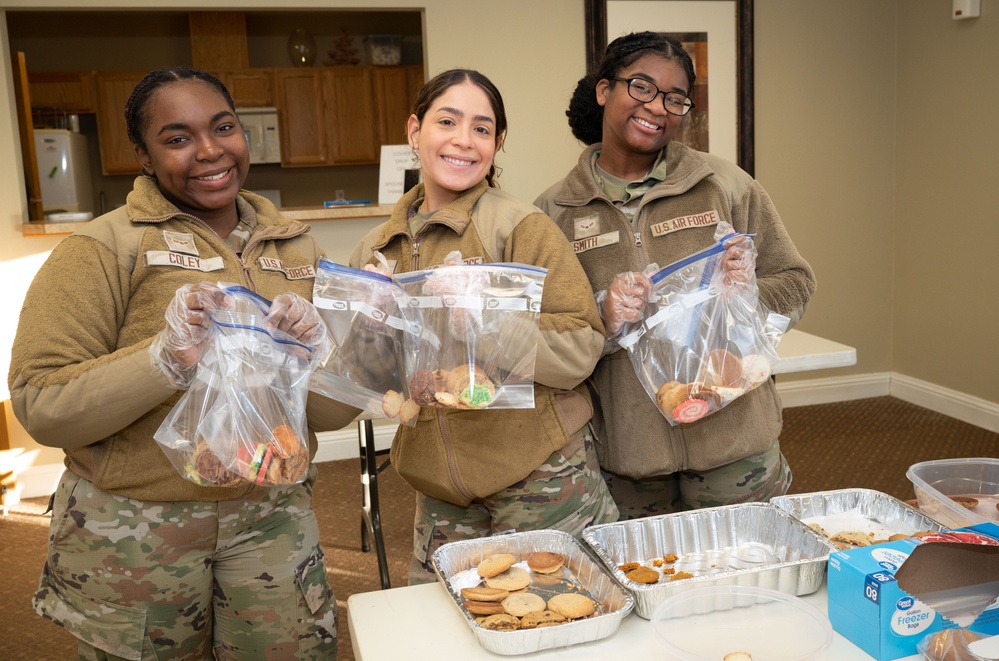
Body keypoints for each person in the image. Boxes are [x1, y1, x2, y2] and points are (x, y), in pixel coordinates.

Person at [8, 67, 358, 659]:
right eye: (177, 138)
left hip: (272, 520)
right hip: (139, 533)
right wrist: (165, 359)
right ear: (142, 155)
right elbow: (42, 405)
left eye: (224, 127)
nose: (210, 150)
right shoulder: (103, 250)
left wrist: (312, 356)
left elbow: (331, 415)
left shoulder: (297, 248)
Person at [349, 68, 619, 584]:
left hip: (540, 477)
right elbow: (367, 380)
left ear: (497, 144)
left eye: (481, 128)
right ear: (414, 130)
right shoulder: (376, 251)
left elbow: (582, 349)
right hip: (440, 489)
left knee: (554, 618)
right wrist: (367, 328)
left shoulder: (521, 228)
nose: (463, 141)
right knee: (442, 625)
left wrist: (489, 320)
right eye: (447, 121)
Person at [535, 32, 817, 520]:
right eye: (641, 87)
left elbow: (795, 280)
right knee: (646, 587)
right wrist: (603, 316)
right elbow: (547, 335)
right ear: (604, 90)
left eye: (674, 98)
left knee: (748, 587)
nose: (657, 107)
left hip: (736, 449)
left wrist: (746, 296)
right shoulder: (553, 213)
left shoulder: (724, 185)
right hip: (626, 460)